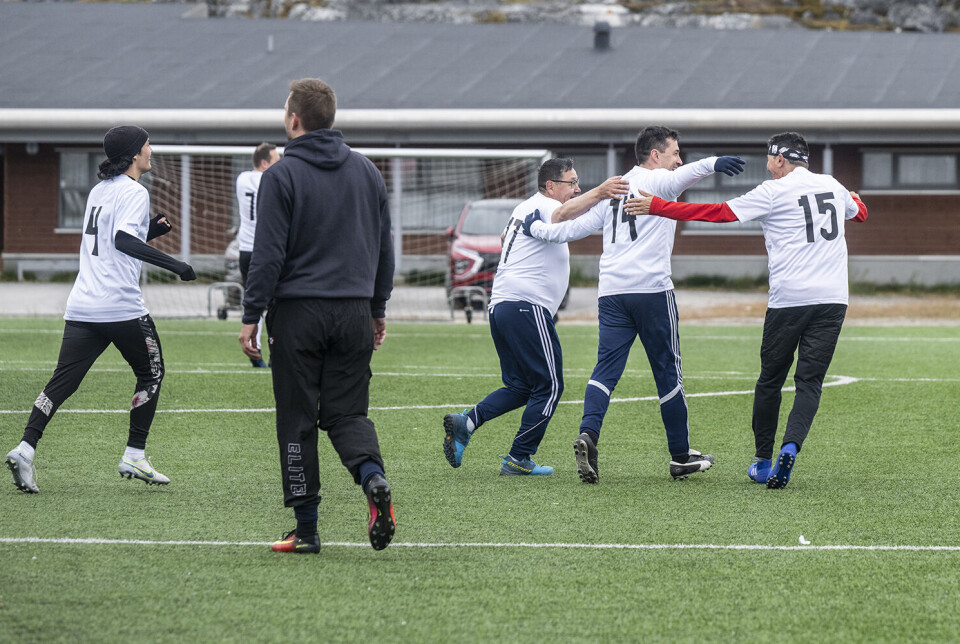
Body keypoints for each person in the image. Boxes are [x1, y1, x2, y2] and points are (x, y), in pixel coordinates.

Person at [625, 131, 868, 489]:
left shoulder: (773, 191)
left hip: (789, 300)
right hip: (833, 299)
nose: (767, 167)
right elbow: (859, 213)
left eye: (769, 160)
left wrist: (658, 206)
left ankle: (763, 460)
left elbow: (718, 213)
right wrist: (855, 199)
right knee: (809, 383)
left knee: (770, 381)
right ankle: (791, 446)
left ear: (780, 159)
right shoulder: (831, 183)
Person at [521, 126, 745, 483]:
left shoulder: (616, 188)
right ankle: (680, 455)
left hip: (611, 293)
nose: (679, 159)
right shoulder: (659, 180)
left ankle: (588, 434)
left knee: (604, 371)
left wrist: (535, 229)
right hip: (652, 292)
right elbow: (691, 172)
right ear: (655, 156)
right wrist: (716, 161)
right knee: (667, 371)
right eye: (674, 152)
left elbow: (570, 230)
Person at [239, 79, 395, 554]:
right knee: (347, 412)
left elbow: (267, 255)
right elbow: (386, 249)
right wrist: (377, 308)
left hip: (298, 314)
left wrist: (251, 315)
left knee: (298, 418)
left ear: (293, 120)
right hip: (352, 313)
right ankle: (373, 479)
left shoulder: (280, 176)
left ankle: (306, 530)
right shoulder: (368, 172)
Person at [5, 125, 197, 494]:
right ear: (135, 154)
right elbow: (122, 240)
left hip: (83, 305)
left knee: (62, 381)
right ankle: (134, 454)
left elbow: (108, 242)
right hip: (120, 306)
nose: (151, 150)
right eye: (147, 146)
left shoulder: (99, 190)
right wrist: (177, 266)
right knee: (152, 373)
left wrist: (149, 232)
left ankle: (25, 448)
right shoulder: (135, 192)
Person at [443, 159, 628, 476]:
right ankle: (519, 458)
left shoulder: (525, 207)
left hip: (502, 306)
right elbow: (559, 216)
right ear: (551, 186)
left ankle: (467, 422)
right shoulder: (545, 206)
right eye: (572, 183)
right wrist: (600, 192)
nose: (577, 188)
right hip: (525, 306)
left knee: (520, 386)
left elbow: (505, 239)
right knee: (551, 385)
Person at [235, 142, 280, 367]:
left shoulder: (242, 179)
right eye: (276, 161)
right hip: (266, 250)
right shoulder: (273, 180)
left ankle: (256, 353)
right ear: (264, 163)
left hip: (245, 249)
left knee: (253, 303)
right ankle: (275, 354)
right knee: (275, 304)